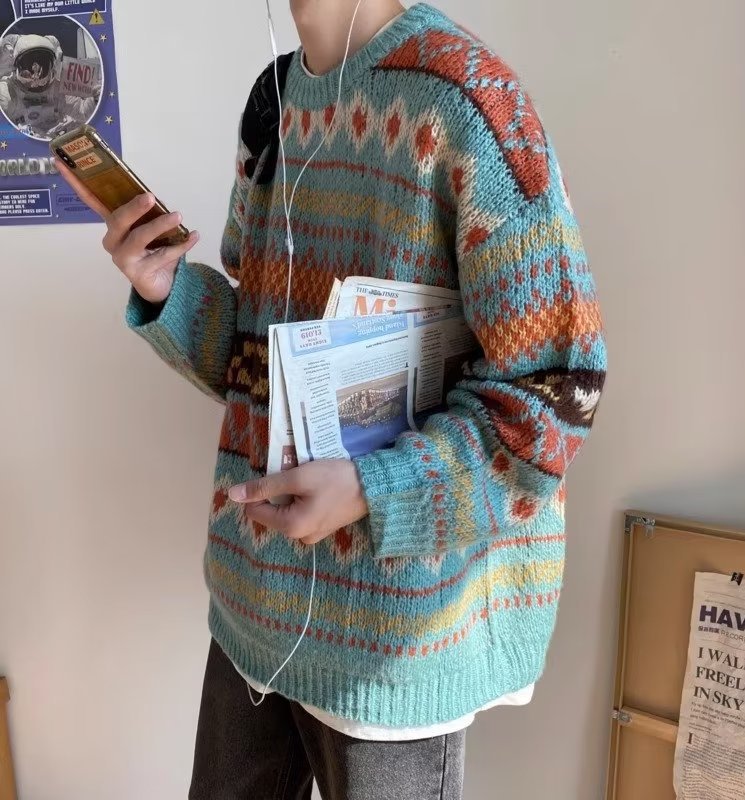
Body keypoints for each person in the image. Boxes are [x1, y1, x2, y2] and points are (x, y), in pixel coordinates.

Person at [58, 1, 607, 797]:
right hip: (255, 606)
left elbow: (557, 392)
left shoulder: (470, 102)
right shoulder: (272, 102)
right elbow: (260, 363)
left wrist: (371, 490)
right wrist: (167, 289)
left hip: (394, 643)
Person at [0, 33, 99, 140]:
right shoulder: (7, 93)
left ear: (52, 67)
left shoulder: (56, 88)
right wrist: (22, 134)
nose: (35, 78)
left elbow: (82, 112)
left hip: (55, 139)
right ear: (16, 68)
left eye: (43, 67)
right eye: (28, 68)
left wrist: (95, 99)